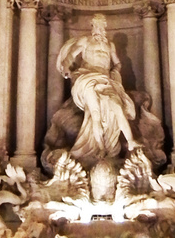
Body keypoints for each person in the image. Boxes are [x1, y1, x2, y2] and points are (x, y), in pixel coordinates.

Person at [57, 14, 141, 166]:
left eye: (103, 26)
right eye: (98, 25)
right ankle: (100, 148)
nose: (101, 29)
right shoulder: (85, 41)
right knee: (95, 113)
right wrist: (67, 67)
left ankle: (131, 141)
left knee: (117, 106)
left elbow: (117, 63)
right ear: (92, 26)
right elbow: (70, 55)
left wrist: (115, 71)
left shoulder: (110, 45)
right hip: (87, 78)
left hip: (106, 79)